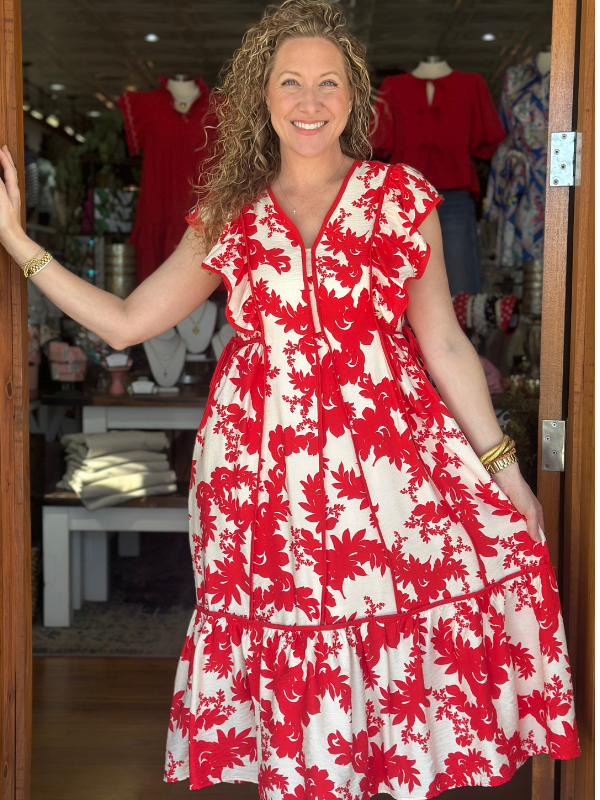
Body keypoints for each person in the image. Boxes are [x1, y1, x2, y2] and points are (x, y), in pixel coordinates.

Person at [0, 1, 579, 795]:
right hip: (263, 478)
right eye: (291, 82)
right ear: (261, 96)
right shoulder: (229, 212)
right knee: (296, 653)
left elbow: (443, 343)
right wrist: (22, 244)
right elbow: (130, 321)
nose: (310, 101)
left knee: (396, 639)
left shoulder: (402, 197)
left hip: (389, 471)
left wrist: (505, 467)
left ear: (356, 95)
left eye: (328, 83)